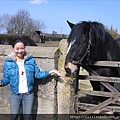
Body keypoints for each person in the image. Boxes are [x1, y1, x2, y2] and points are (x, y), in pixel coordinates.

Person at [0, 39, 62, 120]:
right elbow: (7, 78)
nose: (20, 51)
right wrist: (1, 83)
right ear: (13, 49)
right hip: (15, 94)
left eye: (22, 48)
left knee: (28, 117)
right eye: (17, 49)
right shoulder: (8, 62)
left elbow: (38, 74)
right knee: (14, 117)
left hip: (28, 94)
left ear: (25, 48)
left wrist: (51, 72)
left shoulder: (30, 60)